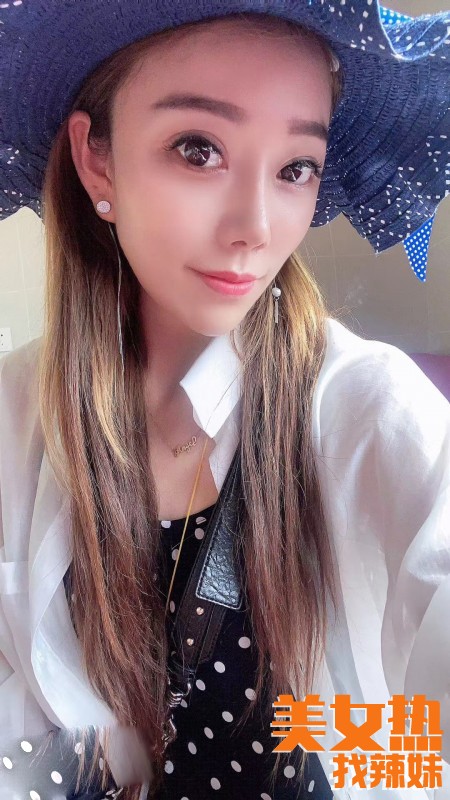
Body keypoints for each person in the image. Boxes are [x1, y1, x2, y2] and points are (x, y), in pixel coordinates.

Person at [0, 2, 449, 799]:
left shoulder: (369, 409)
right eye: (199, 149)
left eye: (296, 167)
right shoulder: (17, 410)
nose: (256, 227)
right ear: (97, 161)